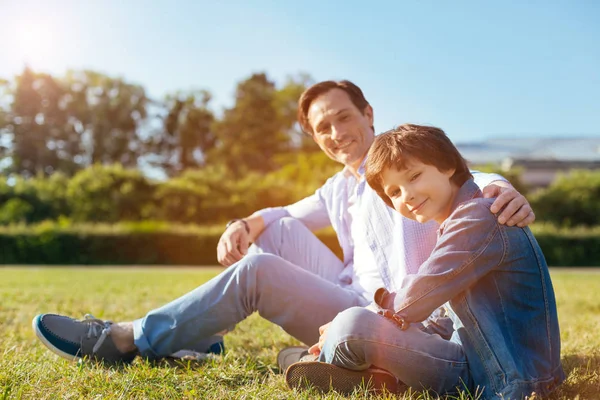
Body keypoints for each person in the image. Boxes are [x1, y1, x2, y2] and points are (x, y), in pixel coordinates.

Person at [31, 81, 535, 365]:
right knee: (270, 233)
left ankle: (127, 339)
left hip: (401, 312)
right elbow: (284, 216)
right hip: (349, 294)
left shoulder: (404, 168)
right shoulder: (338, 187)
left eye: (343, 118)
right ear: (316, 139)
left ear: (368, 113)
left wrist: (500, 188)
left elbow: (465, 175)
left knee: (258, 272)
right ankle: (195, 331)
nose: (336, 133)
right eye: (323, 128)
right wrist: (243, 222)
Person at [287, 124, 564, 399]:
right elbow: (447, 317)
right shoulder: (459, 220)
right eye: (394, 192)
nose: (406, 195)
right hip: (480, 361)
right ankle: (372, 374)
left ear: (447, 166)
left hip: (507, 378)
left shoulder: (479, 217)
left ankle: (327, 361)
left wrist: (364, 319)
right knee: (363, 325)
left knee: (352, 323)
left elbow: (414, 301)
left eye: (415, 176)